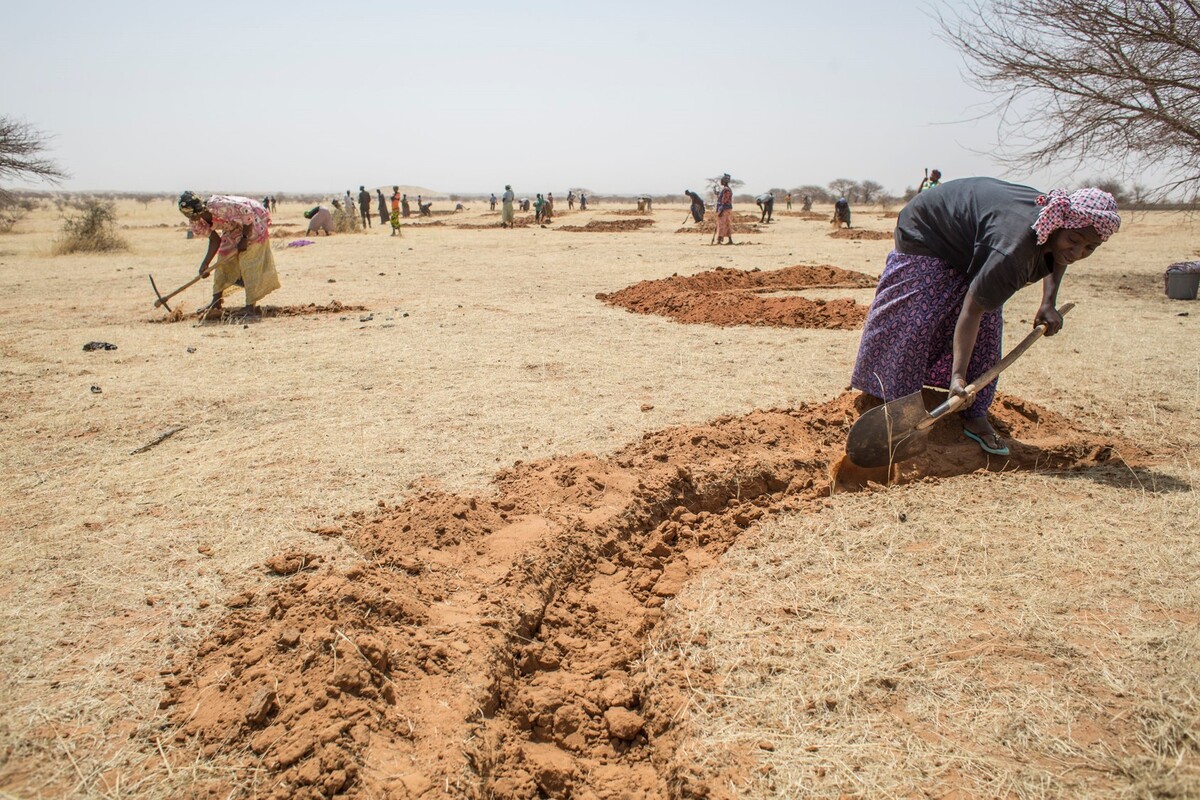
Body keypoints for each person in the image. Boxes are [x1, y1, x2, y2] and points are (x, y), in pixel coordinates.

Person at [851, 178, 1120, 455]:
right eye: (1074, 241)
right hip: (929, 226)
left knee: (988, 328)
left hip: (977, 235)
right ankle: (892, 402)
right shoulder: (1013, 250)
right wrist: (958, 376)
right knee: (917, 321)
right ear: (1057, 224)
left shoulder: (1055, 231)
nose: (1078, 253)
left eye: (1090, 248)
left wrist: (1048, 302)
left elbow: (1059, 255)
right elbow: (971, 311)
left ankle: (974, 414)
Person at [178, 192, 281, 319]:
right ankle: (216, 303)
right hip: (232, 226)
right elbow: (215, 240)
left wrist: (244, 238)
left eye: (192, 214)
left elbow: (247, 213)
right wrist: (206, 263)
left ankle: (250, 306)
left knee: (249, 261)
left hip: (253, 218)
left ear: (198, 209)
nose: (191, 218)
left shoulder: (219, 205)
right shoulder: (195, 222)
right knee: (223, 259)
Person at [714, 174, 734, 244]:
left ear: (724, 181)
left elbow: (724, 200)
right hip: (728, 209)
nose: (720, 182)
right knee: (727, 224)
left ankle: (719, 240)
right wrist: (717, 193)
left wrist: (720, 210)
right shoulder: (727, 189)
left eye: (722, 180)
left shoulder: (725, 189)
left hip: (724, 209)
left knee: (721, 224)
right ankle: (730, 240)